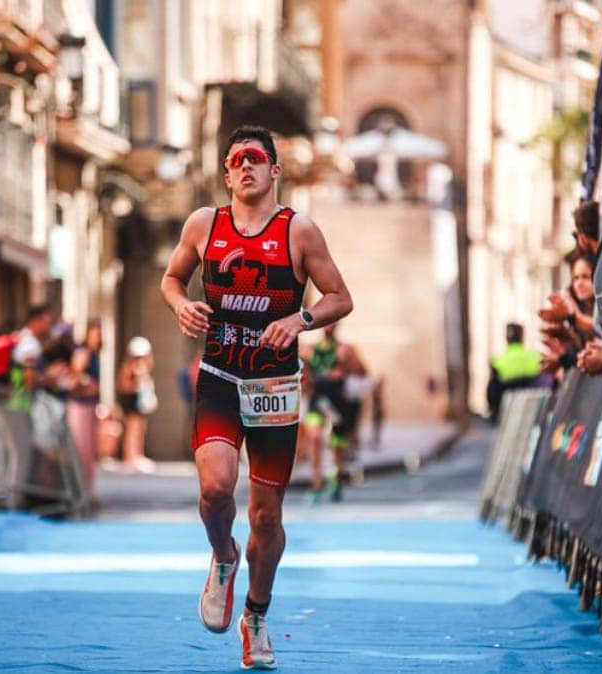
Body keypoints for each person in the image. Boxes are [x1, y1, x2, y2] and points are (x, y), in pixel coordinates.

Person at [159, 125, 352, 669]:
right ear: (226, 173)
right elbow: (172, 279)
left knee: (266, 518)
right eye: (236, 160)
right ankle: (223, 555)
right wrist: (179, 304)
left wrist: (300, 319)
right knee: (216, 489)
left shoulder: (299, 231)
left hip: (274, 386)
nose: (246, 167)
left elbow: (341, 298)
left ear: (275, 170)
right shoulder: (205, 224)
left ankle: (256, 615)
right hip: (221, 374)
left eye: (256, 158)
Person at [303, 322, 369, 503]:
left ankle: (335, 481)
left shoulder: (346, 350)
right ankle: (316, 485)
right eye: (326, 323)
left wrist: (345, 370)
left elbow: (363, 371)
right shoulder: (309, 350)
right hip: (318, 399)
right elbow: (302, 372)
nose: (329, 327)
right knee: (314, 438)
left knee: (337, 445)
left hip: (337, 401)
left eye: (333, 323)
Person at [67, 320, 102, 498]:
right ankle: (80, 490)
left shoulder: (95, 354)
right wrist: (87, 384)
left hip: (89, 405)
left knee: (89, 452)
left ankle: (87, 489)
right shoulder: (83, 353)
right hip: (80, 406)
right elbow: (74, 379)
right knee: (81, 450)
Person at [116, 336, 157, 473]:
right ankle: (130, 457)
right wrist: (137, 384)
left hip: (139, 404)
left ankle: (137, 455)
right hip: (131, 403)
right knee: (131, 431)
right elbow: (123, 386)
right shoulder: (129, 368)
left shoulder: (143, 367)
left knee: (139, 430)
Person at [486, 322, 542, 422]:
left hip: (506, 412)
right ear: (522, 337)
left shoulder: (498, 361)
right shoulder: (535, 358)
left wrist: (492, 410)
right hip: (533, 411)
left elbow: (492, 390)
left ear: (506, 339)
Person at [8, 304, 54, 411]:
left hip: (16, 402)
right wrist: (50, 379)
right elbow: (29, 380)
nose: (49, 327)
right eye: (47, 323)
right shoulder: (31, 345)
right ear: (35, 321)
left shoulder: (23, 337)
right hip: (22, 404)